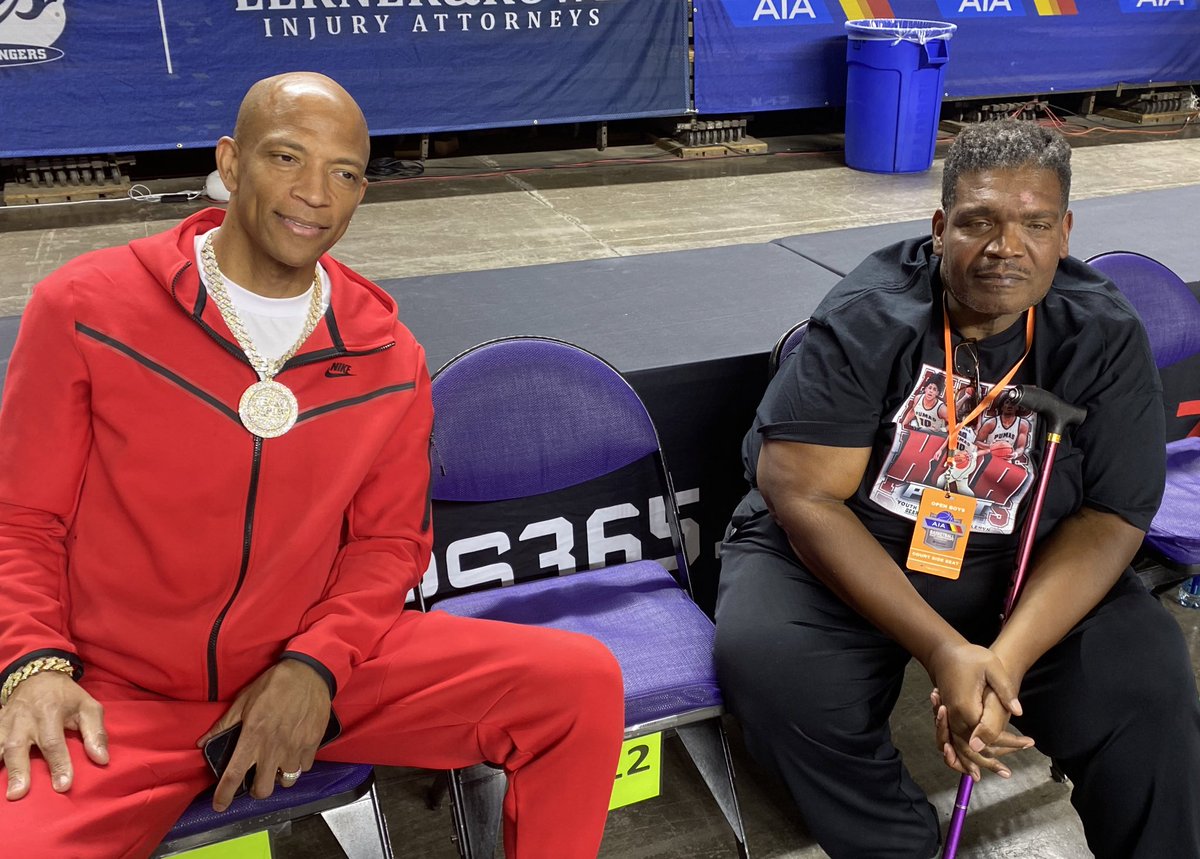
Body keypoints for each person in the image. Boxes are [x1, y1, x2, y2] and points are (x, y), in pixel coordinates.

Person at [0, 72, 624, 858]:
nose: (315, 195)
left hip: (319, 676)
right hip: (118, 697)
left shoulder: (390, 356)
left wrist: (315, 666)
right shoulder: (84, 307)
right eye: (287, 157)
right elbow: (22, 517)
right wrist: (32, 664)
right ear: (231, 163)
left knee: (577, 682)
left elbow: (389, 544)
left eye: (344, 173)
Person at [715, 120, 1200, 858]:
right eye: (979, 221)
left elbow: (1113, 512)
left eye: (1035, 223)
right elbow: (805, 496)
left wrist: (1003, 658)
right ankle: (896, 845)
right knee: (770, 665)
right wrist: (945, 649)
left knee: (1146, 678)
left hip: (1016, 557)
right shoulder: (868, 316)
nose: (1007, 246)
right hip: (846, 545)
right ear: (941, 228)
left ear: (1064, 232)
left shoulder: (1101, 333)